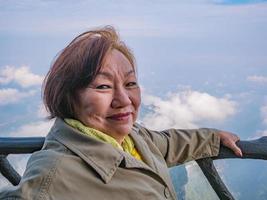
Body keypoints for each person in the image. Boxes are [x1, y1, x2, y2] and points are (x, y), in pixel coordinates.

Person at [0, 26, 242, 200]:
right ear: (68, 97)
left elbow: (168, 144)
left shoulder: (133, 139)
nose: (124, 99)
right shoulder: (53, 173)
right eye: (103, 86)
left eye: (130, 84)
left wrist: (213, 138)